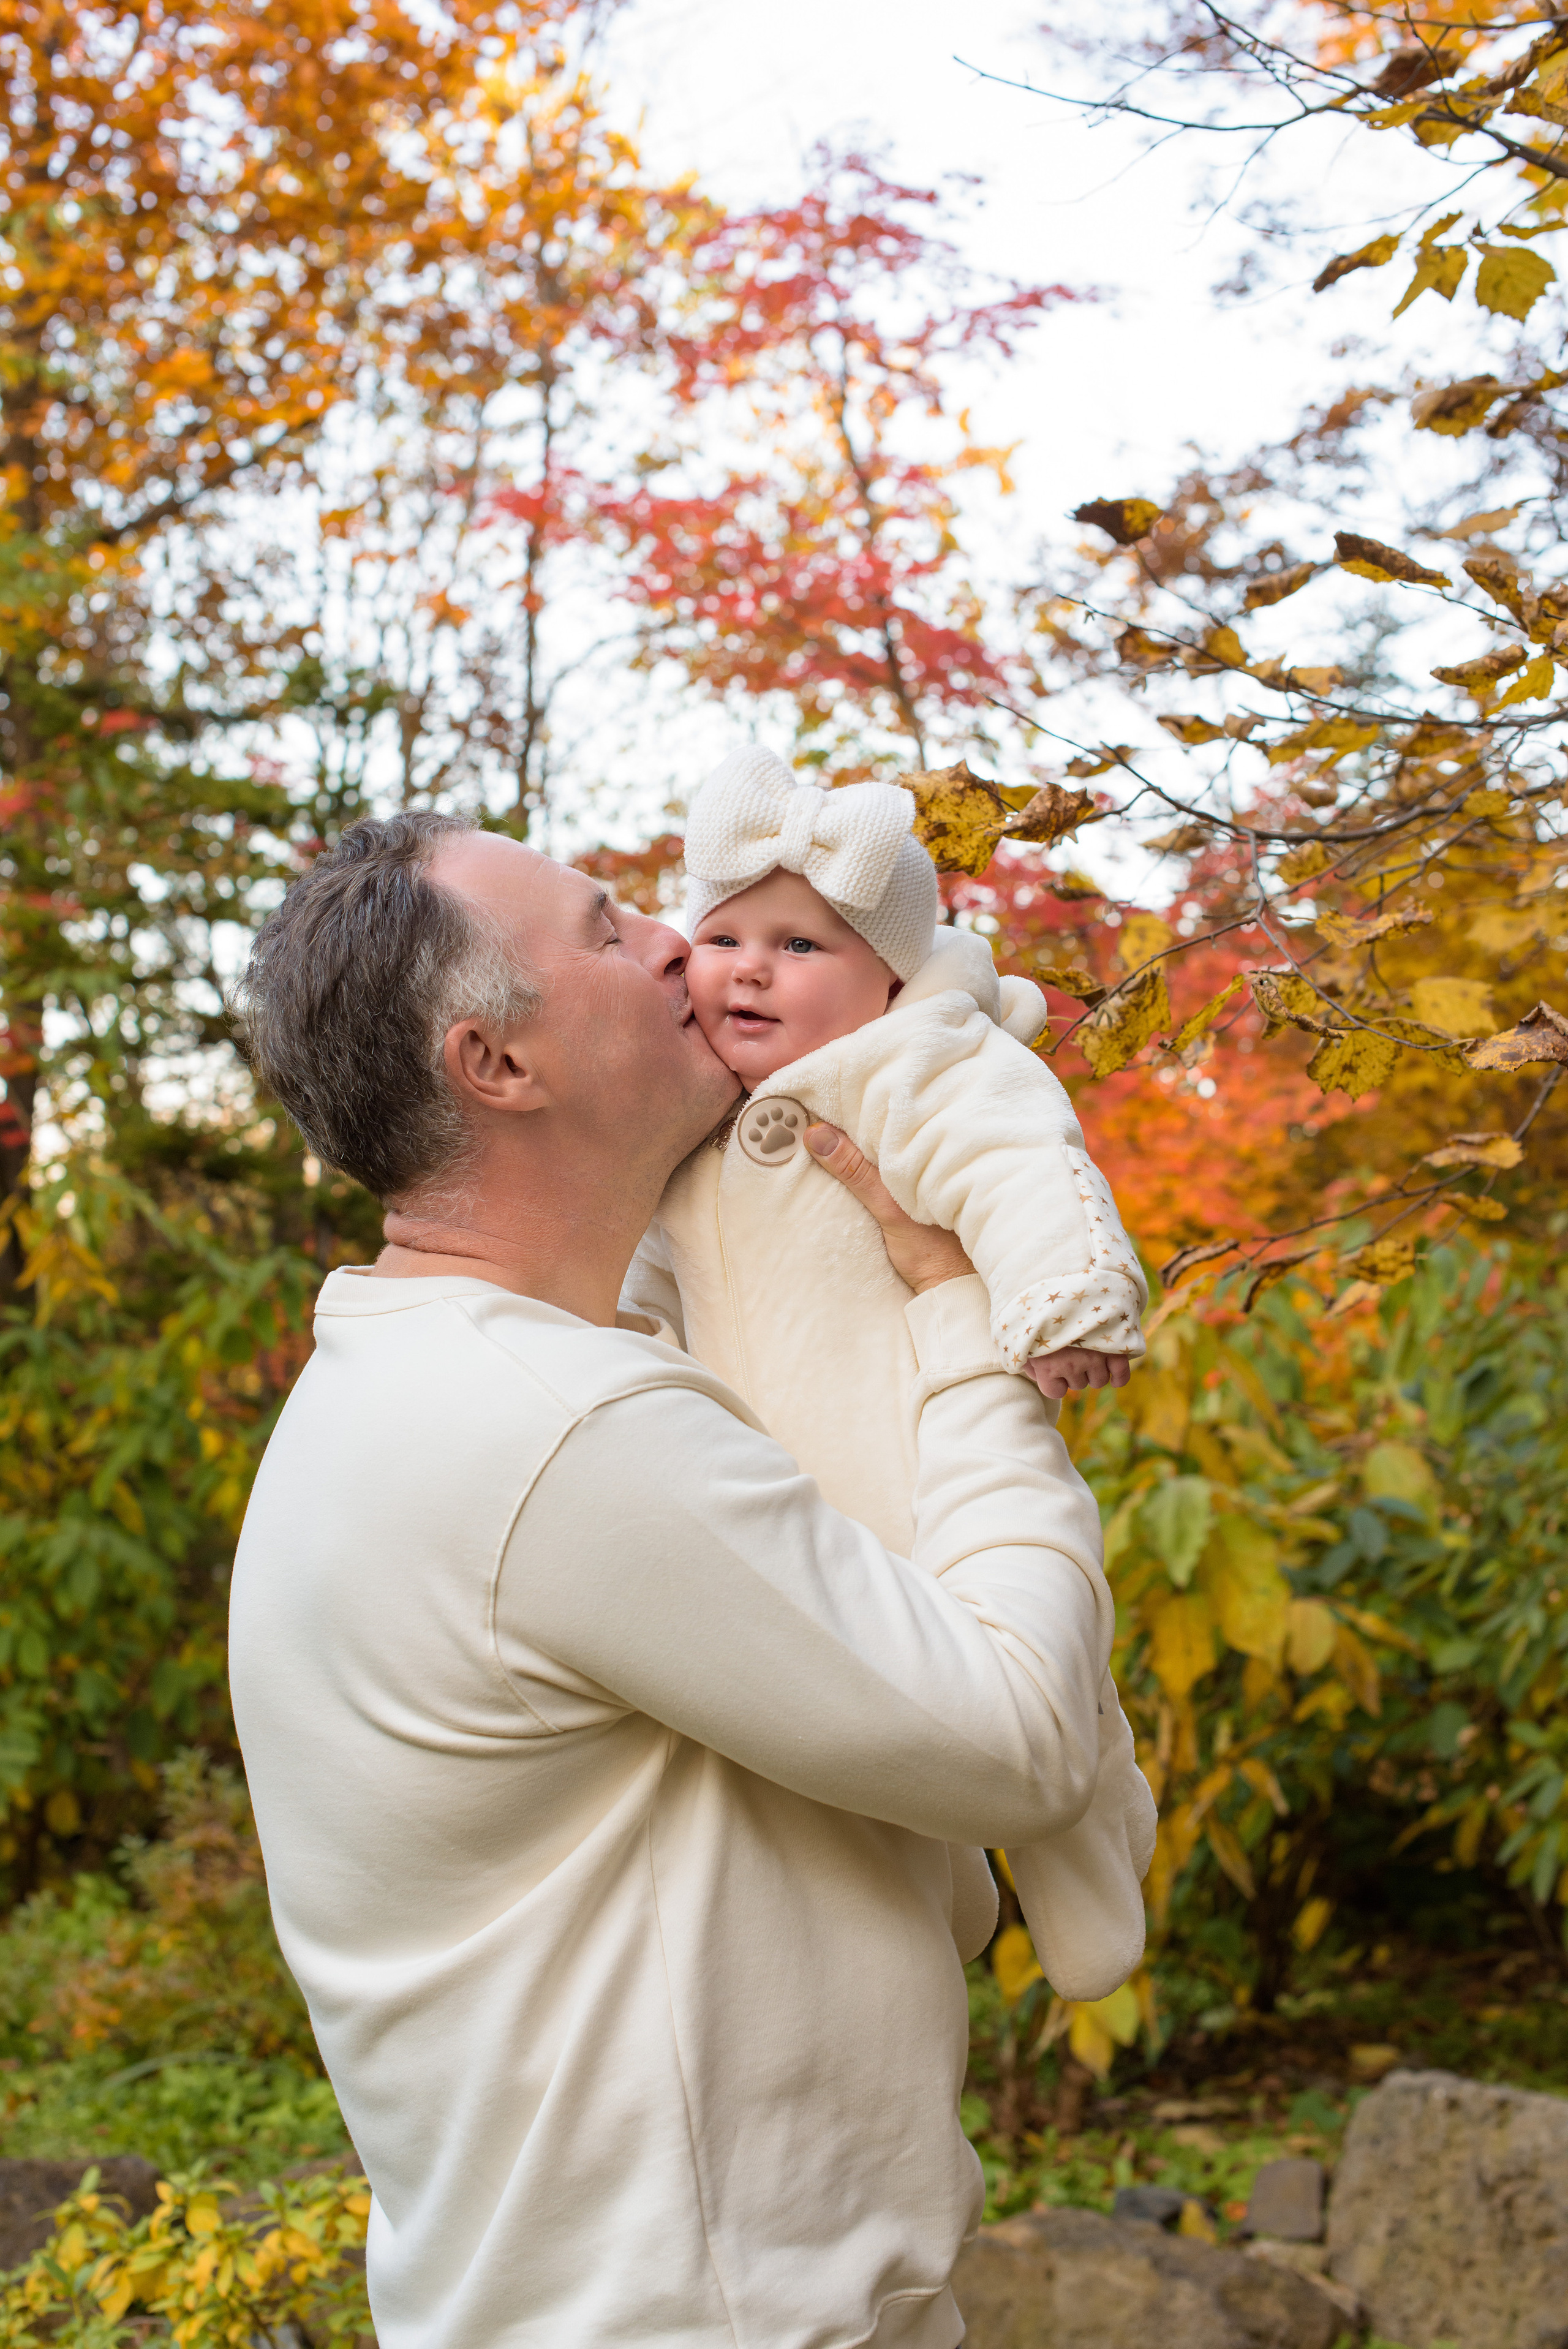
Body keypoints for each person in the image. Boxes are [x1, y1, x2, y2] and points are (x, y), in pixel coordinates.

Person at [227, 809, 1154, 2349]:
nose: (679, 940)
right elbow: (1021, 1735)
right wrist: (957, 1323)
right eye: (604, 930)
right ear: (495, 1064)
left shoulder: (407, 1392)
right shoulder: (559, 1435)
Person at [623, 745, 1153, 1999]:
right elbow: (637, 1265)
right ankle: (951, 1888)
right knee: (865, 1722)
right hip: (773, 1480)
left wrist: (1057, 1296)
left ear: (888, 982)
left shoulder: (915, 1065)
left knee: (1026, 1654)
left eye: (802, 947)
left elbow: (1016, 1160)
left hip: (911, 1437)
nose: (751, 966)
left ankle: (1087, 1852)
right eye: (726, 935)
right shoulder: (677, 1111)